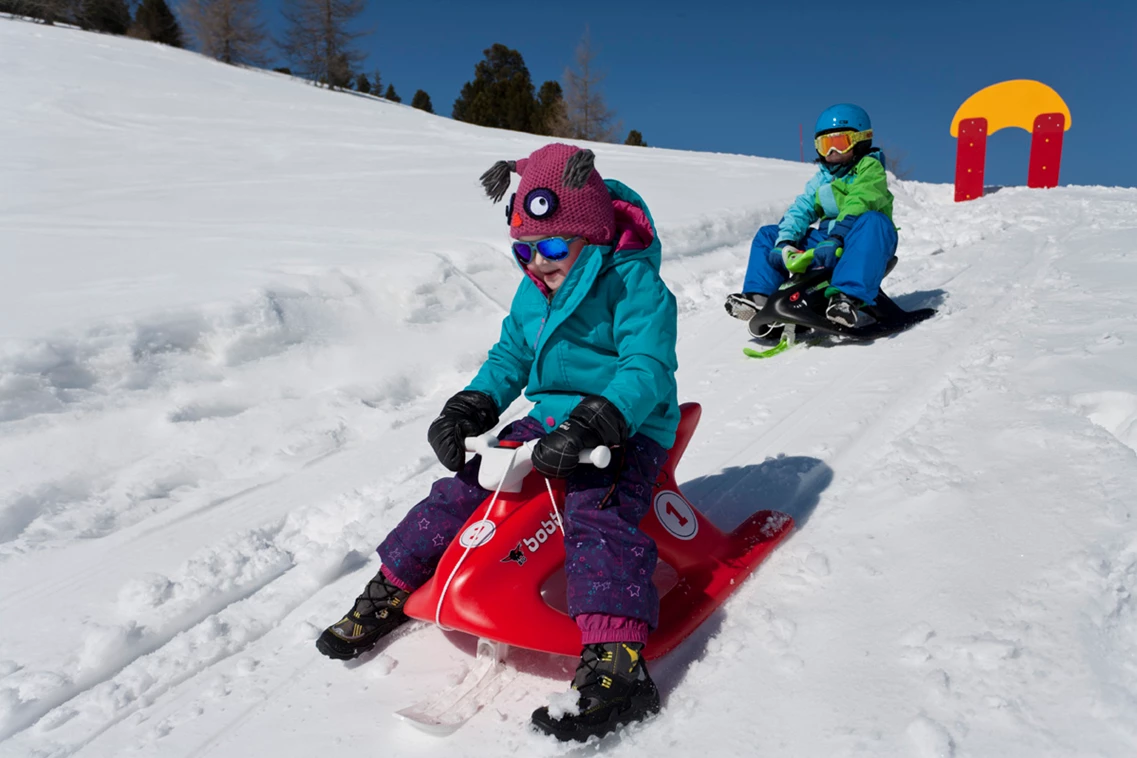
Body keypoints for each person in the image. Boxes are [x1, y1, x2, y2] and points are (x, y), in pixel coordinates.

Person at [315, 143, 680, 742]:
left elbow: (647, 366)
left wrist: (601, 418)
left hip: (625, 422)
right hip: (550, 419)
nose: (539, 262)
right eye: (525, 250)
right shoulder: (534, 290)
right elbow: (511, 354)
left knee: (597, 509)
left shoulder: (635, 283)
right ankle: (390, 588)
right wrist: (472, 406)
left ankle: (618, 664)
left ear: (589, 234)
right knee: (462, 490)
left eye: (555, 246)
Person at [726, 103, 897, 333]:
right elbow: (802, 208)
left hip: (863, 241)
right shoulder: (823, 178)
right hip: (828, 242)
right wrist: (784, 243)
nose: (831, 153)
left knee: (874, 221)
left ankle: (845, 299)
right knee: (769, 234)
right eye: (825, 146)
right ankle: (760, 298)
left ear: (861, 140)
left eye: (839, 143)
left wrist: (838, 236)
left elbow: (861, 200)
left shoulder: (870, 169)